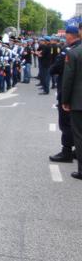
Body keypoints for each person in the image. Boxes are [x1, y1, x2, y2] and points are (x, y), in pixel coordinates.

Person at [50, 25, 81, 163]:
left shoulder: (70, 51)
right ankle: (76, 151)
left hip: (70, 93)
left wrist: (65, 100)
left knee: (66, 124)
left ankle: (67, 151)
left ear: (69, 35)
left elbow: (61, 72)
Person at [61, 25, 82, 180]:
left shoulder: (74, 52)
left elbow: (68, 80)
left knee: (79, 135)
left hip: (78, 101)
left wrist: (65, 100)